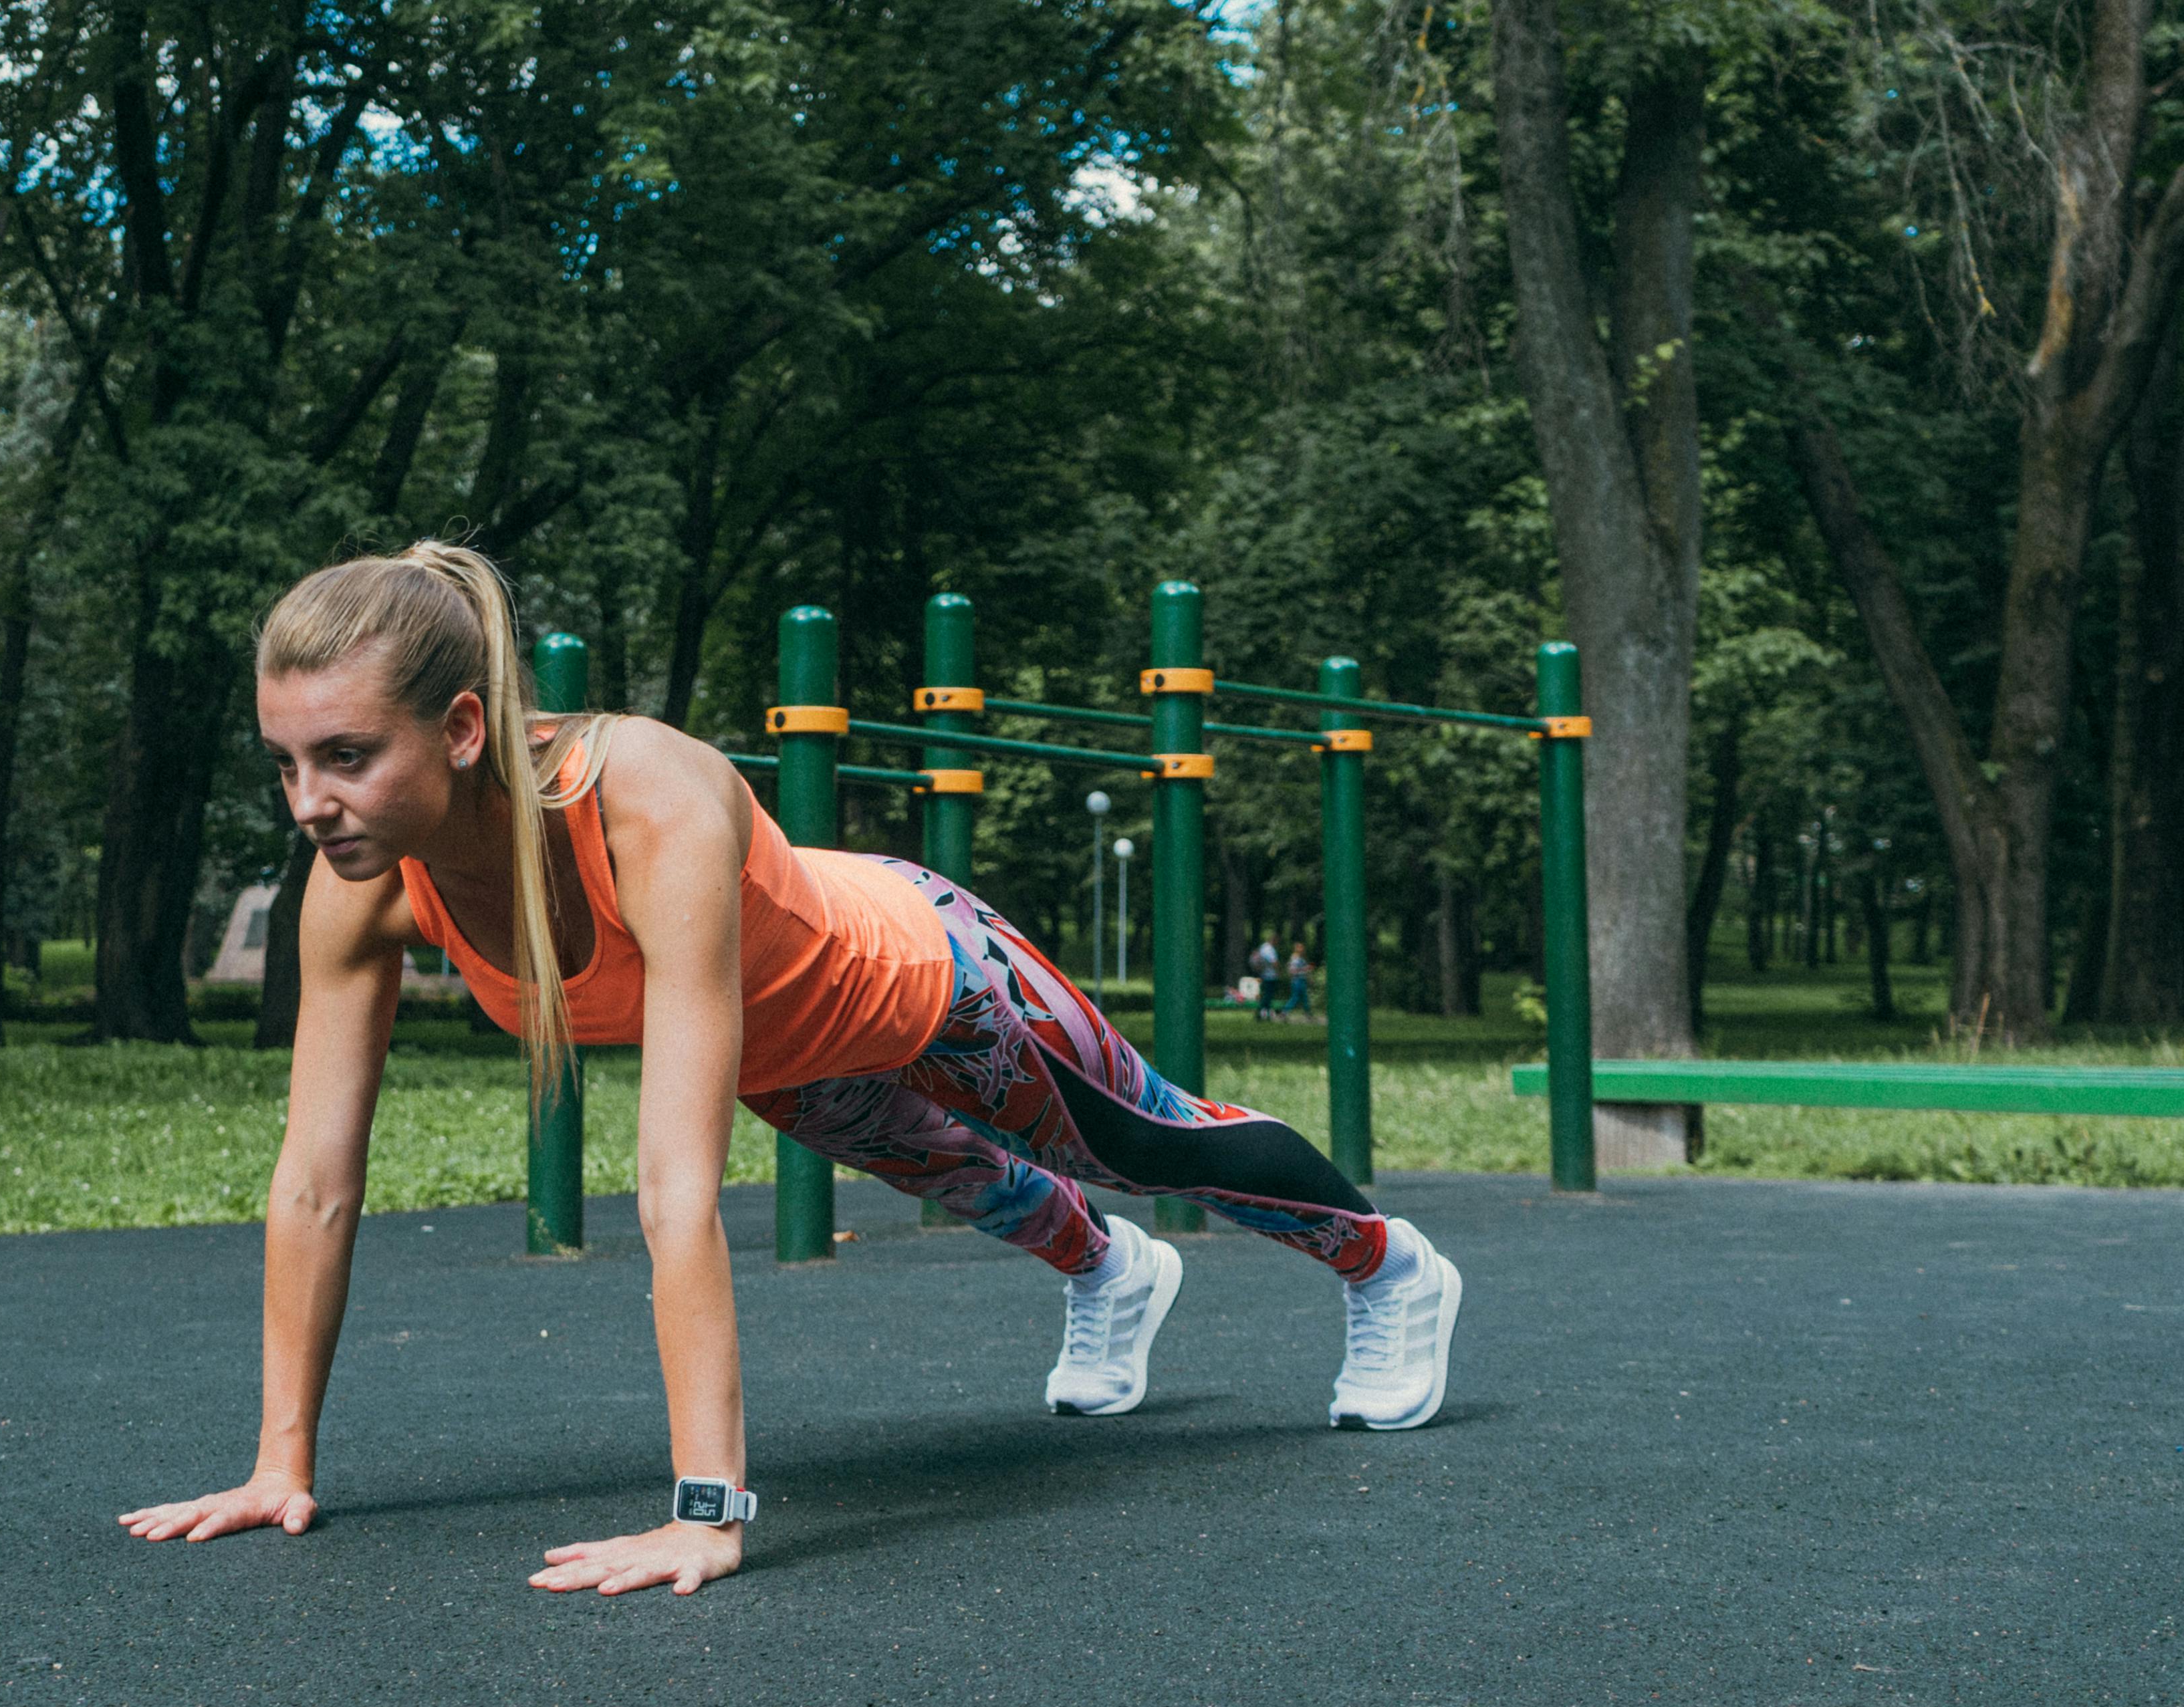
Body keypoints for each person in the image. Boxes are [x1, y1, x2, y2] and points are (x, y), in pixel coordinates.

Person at [119, 544, 1463, 1598]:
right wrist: (276, 1463)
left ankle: (1388, 1264)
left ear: (463, 726)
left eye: (345, 757)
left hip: (928, 978)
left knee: (1142, 1145)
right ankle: (1109, 1271)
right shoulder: (357, 887)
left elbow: (674, 1192)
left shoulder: (644, 796)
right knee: (965, 1178)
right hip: (796, 1059)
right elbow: (310, 1186)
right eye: (288, 762)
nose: (308, 801)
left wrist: (706, 1510)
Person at [1248, 931, 1283, 1021]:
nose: (1277, 944)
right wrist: (1279, 972)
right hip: (1270, 976)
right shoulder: (1269, 949)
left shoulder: (1263, 947)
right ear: (1274, 940)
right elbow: (1274, 962)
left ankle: (1267, 1015)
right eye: (1277, 941)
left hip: (1263, 974)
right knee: (1267, 997)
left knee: (1268, 996)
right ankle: (1259, 1014)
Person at [1284, 941, 1315, 1023]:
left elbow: (1305, 971)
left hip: (1302, 980)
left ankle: (1308, 1015)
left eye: (1302, 947)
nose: (1302, 949)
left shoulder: (1302, 959)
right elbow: (1292, 971)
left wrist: (1309, 979)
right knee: (1295, 998)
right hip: (1297, 980)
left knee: (1305, 998)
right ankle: (1284, 1013)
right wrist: (1305, 969)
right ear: (1297, 949)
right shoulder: (1295, 958)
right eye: (1300, 947)